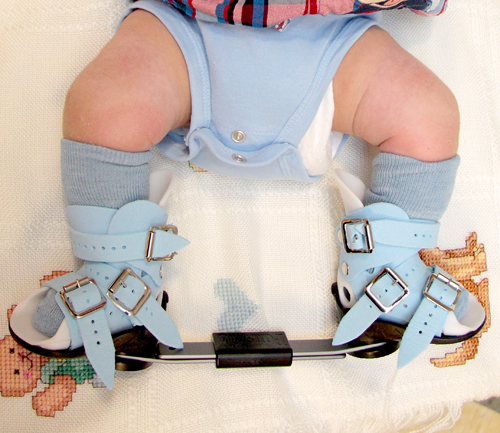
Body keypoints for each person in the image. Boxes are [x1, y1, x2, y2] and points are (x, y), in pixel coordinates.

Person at [9, 0, 486, 389]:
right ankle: (114, 272)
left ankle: (387, 269)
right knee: (107, 101)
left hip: (329, 43)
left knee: (428, 111)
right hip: (187, 31)